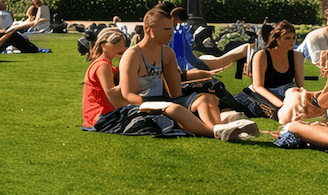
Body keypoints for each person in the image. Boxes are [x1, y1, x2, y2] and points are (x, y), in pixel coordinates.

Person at [83, 26, 258, 140]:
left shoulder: (107, 65)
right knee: (174, 108)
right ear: (104, 44)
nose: (122, 50)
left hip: (111, 111)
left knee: (198, 99)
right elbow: (114, 96)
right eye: (117, 46)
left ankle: (220, 124)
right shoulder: (102, 66)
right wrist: (129, 79)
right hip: (103, 117)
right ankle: (216, 131)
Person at [118, 6, 259, 138]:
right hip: (142, 103)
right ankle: (215, 131)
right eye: (166, 29)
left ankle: (220, 128)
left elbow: (175, 92)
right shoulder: (133, 55)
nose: (171, 34)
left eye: (171, 29)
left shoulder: (167, 53)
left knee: (205, 98)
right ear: (150, 29)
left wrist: (193, 85)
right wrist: (156, 103)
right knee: (174, 109)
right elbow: (128, 94)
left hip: (165, 100)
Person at [168, 7, 251, 72]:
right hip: (191, 64)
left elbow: (188, 59)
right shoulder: (179, 32)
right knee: (219, 62)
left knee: (219, 61)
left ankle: (249, 49)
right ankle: (249, 49)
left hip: (191, 64)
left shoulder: (178, 33)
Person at [250, 20, 305, 110]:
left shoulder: (297, 56)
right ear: (276, 38)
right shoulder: (262, 55)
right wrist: (281, 105)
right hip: (263, 95)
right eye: (287, 38)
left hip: (288, 92)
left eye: (293, 38)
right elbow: (257, 86)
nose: (292, 41)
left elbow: (300, 85)